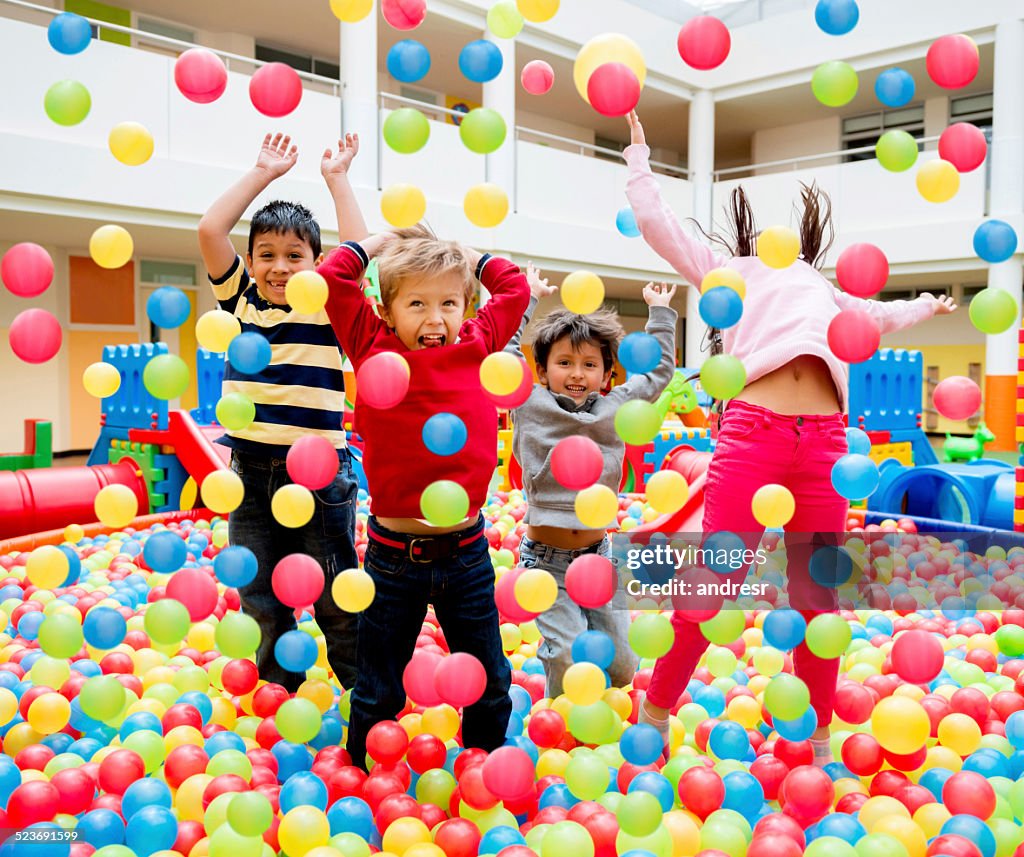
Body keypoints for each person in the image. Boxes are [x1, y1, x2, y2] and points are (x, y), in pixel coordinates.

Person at [623, 111, 957, 763]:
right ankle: (657, 707)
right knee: (716, 579)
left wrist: (927, 306)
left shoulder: (824, 289)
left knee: (817, 592)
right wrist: (639, 162)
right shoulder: (732, 271)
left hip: (828, 444)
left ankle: (822, 733)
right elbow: (663, 231)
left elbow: (876, 317)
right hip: (754, 434)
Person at [318, 137, 530, 769]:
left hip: (466, 553)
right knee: (377, 683)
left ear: (466, 308)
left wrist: (470, 254)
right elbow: (333, 280)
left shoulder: (478, 341)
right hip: (392, 557)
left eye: (447, 302)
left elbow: (514, 289)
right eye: (417, 303)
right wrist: (373, 248)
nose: (434, 316)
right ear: (388, 309)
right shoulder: (372, 345)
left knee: (490, 680)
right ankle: (362, 770)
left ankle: (488, 769)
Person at [197, 132, 363, 693]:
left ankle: (363, 691)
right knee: (261, 593)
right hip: (250, 471)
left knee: (336, 591)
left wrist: (337, 180)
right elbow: (209, 230)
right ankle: (278, 695)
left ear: (318, 264)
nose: (279, 267)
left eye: (295, 256)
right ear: (249, 261)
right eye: (266, 255)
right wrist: (262, 173)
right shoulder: (241, 302)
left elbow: (361, 249)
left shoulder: (328, 311)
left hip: (318, 474)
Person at [506, 265, 677, 698]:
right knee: (564, 654)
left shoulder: (616, 405)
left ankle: (603, 712)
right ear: (542, 370)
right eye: (564, 363)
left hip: (598, 555)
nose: (577, 373)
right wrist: (527, 299)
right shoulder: (529, 402)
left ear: (607, 374)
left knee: (622, 665)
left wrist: (659, 313)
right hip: (546, 564)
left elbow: (657, 376)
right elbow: (502, 358)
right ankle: (561, 730)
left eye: (589, 364)